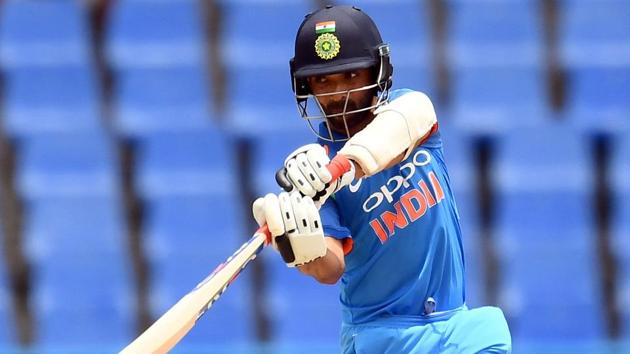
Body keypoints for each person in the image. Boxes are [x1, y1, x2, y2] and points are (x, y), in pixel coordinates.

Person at [252, 5, 512, 354]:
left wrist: (338, 170)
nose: (338, 94)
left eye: (351, 76)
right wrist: (299, 245)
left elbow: (394, 132)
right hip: (379, 337)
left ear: (378, 72)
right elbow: (330, 268)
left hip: (455, 328)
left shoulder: (409, 109)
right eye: (323, 80)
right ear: (306, 86)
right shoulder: (312, 180)